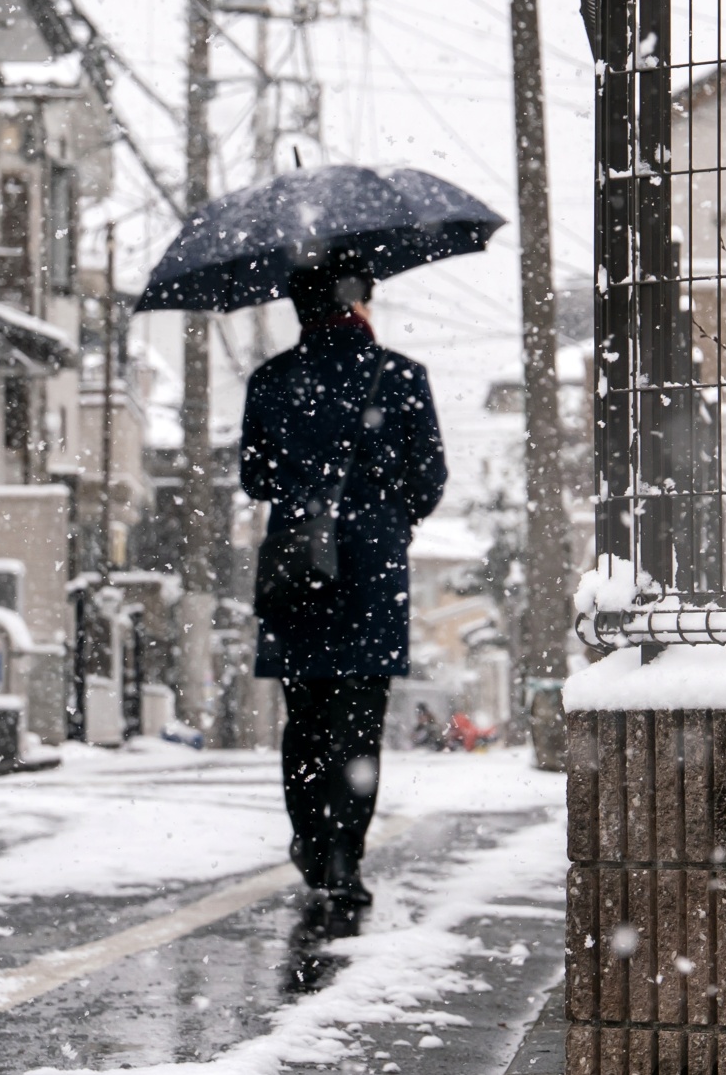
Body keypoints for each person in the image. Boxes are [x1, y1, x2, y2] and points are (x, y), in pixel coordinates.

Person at [240, 256, 447, 939]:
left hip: (298, 566)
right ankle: (343, 856)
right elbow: (430, 477)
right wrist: (387, 516)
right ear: (358, 301)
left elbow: (254, 478)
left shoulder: (271, 380)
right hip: (372, 570)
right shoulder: (402, 377)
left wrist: (307, 487)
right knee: (358, 724)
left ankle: (309, 838)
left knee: (303, 718)